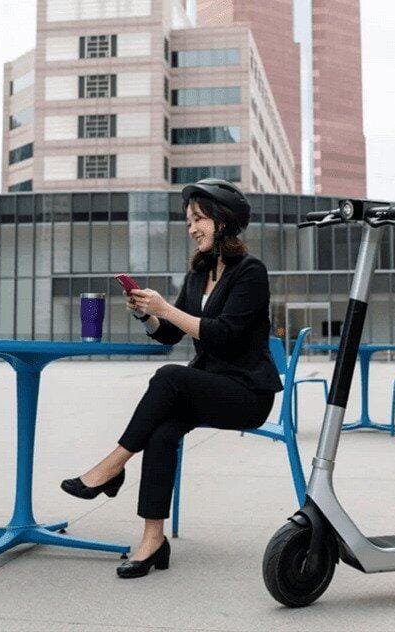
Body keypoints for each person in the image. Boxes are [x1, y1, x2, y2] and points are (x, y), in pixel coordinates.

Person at [61, 178, 282, 578]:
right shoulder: (198, 275)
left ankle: (112, 466)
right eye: (189, 221)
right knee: (162, 434)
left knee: (167, 377)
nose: (192, 227)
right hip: (207, 386)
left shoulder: (251, 272)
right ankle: (152, 542)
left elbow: (224, 334)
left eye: (199, 219)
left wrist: (167, 307)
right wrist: (148, 313)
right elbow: (171, 334)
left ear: (225, 222)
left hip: (246, 393)